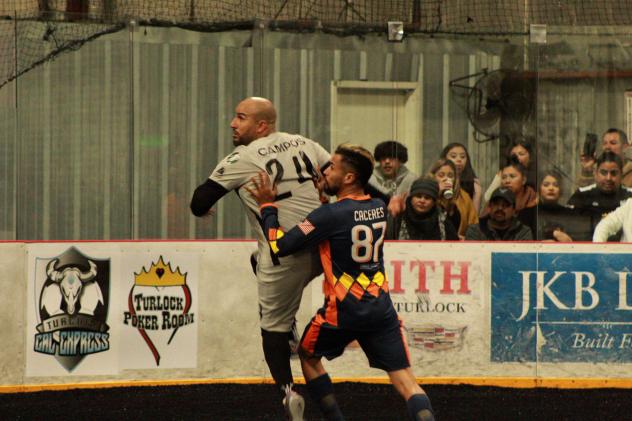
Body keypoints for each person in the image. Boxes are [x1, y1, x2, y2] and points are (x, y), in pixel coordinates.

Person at [247, 144, 435, 421]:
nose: (325, 172)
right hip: (381, 309)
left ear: (349, 178)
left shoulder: (329, 216)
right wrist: (325, 201)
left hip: (343, 309)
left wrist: (267, 206)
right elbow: (344, 222)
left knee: (308, 355)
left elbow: (280, 245)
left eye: (332, 167)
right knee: (407, 381)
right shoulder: (379, 207)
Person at [189, 97, 330, 419]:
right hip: (325, 248)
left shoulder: (243, 157)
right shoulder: (304, 142)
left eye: (240, 118)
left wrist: (203, 208)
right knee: (257, 258)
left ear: (261, 125)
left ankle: (288, 393)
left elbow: (200, 201)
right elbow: (335, 175)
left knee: (272, 329)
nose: (232, 124)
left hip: (286, 254)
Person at [568, 151, 632, 239]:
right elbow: (569, 228)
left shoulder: (630, 197)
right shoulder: (582, 195)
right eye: (604, 172)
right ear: (595, 173)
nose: (608, 178)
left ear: (621, 174)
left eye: (613, 173)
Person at [386, 177, 459, 240]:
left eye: (427, 198)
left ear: (434, 202)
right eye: (418, 196)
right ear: (411, 198)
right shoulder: (398, 218)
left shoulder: (443, 220)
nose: (422, 200)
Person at [483, 157, 538, 237]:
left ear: (523, 180)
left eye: (512, 177)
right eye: (504, 177)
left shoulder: (534, 205)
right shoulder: (494, 207)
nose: (507, 181)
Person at [428, 159, 478, 239]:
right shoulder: (427, 196)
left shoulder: (463, 197)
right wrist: (436, 192)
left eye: (450, 176)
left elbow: (474, 224)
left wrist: (467, 238)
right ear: (433, 176)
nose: (446, 179)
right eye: (441, 175)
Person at [465, 187, 533, 241]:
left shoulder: (523, 232)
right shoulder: (475, 230)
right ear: (489, 207)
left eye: (505, 205)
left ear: (514, 211)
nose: (500, 208)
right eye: (496, 204)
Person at [483, 137, 537, 204]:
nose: (517, 157)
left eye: (521, 154)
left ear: (530, 157)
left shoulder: (536, 173)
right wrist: (500, 176)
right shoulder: (505, 172)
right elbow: (488, 197)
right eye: (514, 154)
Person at [440, 142, 482, 211]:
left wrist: (477, 194)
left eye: (462, 157)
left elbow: (473, 217)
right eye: (453, 156)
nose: (459, 160)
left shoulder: (472, 183)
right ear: (444, 158)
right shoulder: (437, 180)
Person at [536, 170, 575, 241]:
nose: (551, 188)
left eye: (556, 185)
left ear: (560, 190)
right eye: (546, 185)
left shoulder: (569, 214)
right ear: (539, 189)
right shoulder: (532, 213)